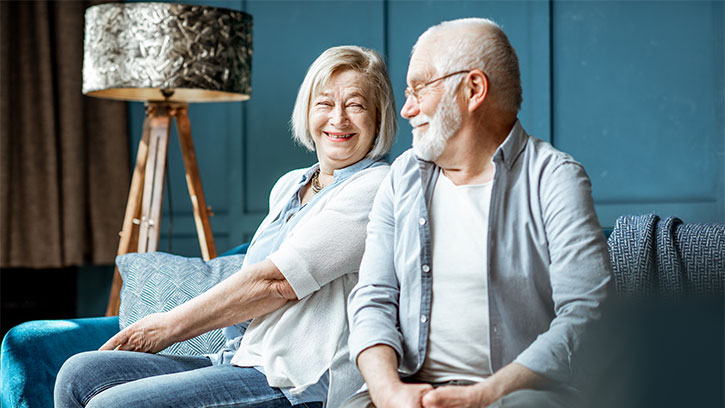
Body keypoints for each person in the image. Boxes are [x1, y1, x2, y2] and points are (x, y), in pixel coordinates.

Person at [54, 45, 397, 408]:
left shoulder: (376, 187)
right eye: (325, 103)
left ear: (378, 118)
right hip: (243, 359)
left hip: (300, 380)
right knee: (78, 375)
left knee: (113, 405)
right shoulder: (291, 185)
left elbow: (276, 282)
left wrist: (167, 327)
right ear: (308, 111)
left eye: (356, 105)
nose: (338, 119)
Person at [344, 18, 612, 408]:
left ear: (473, 89)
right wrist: (387, 392)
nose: (406, 109)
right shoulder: (401, 176)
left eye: (419, 88)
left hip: (520, 393)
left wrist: (483, 396)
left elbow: (585, 313)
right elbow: (373, 297)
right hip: (410, 388)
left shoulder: (554, 178)